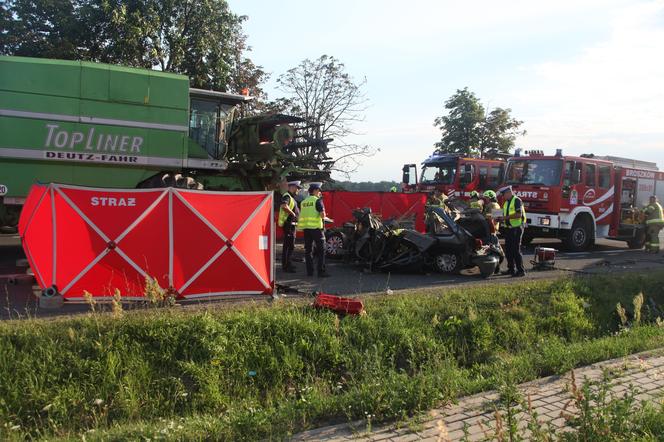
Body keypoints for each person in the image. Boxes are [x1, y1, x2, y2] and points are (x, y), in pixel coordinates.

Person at [299, 183, 331, 277]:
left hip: (306, 229)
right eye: (319, 190)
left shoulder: (304, 202)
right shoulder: (317, 201)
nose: (320, 192)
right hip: (316, 229)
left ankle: (310, 272)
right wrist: (324, 215)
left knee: (308, 251)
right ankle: (321, 272)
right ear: (315, 190)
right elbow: (322, 215)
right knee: (321, 250)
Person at [498, 185, 526, 277]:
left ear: (508, 192)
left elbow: (518, 214)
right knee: (509, 250)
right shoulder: (507, 202)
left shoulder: (517, 200)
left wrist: (505, 217)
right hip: (509, 229)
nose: (503, 196)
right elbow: (505, 214)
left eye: (504, 194)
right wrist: (499, 218)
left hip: (516, 228)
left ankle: (521, 270)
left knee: (515, 250)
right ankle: (511, 269)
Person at [278, 180, 301, 272]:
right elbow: (284, 206)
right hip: (288, 225)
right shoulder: (287, 196)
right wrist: (293, 214)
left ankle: (288, 264)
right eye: (297, 188)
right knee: (288, 246)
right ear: (293, 187)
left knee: (290, 246)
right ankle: (286, 266)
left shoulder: (291, 197)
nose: (298, 190)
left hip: (291, 225)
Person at [482, 190, 503, 274]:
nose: (485, 199)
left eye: (486, 198)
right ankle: (496, 267)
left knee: (494, 249)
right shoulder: (495, 205)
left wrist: (481, 214)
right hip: (492, 229)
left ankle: (497, 267)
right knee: (495, 248)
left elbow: (492, 217)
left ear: (490, 197)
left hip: (491, 230)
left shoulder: (493, 205)